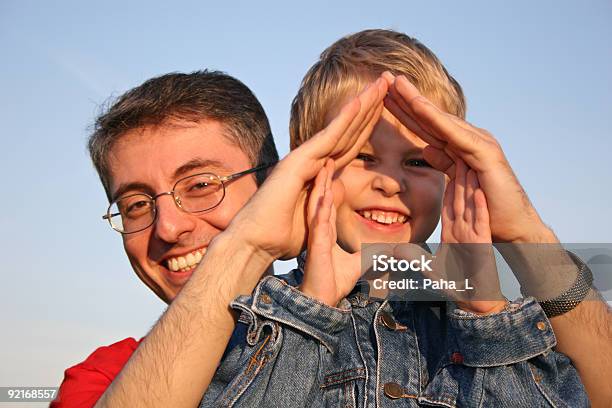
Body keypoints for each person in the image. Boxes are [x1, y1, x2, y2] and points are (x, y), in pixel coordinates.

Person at [197, 29, 610, 406]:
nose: (391, 183)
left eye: (417, 161)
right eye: (363, 157)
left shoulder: (504, 324)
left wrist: (487, 318)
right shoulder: (253, 322)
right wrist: (309, 315)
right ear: (306, 162)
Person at [52, 69, 390, 407]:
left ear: (274, 184)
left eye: (200, 185)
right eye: (136, 205)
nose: (168, 228)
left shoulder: (383, 319)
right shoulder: (104, 378)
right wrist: (246, 247)